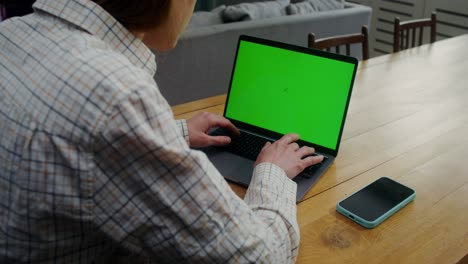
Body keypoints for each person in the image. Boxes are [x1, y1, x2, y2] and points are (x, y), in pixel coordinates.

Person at [0, 0, 324, 263]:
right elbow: (258, 258)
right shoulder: (117, 96)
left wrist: (171, 133)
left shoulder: (11, 33)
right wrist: (272, 173)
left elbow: (77, 142)